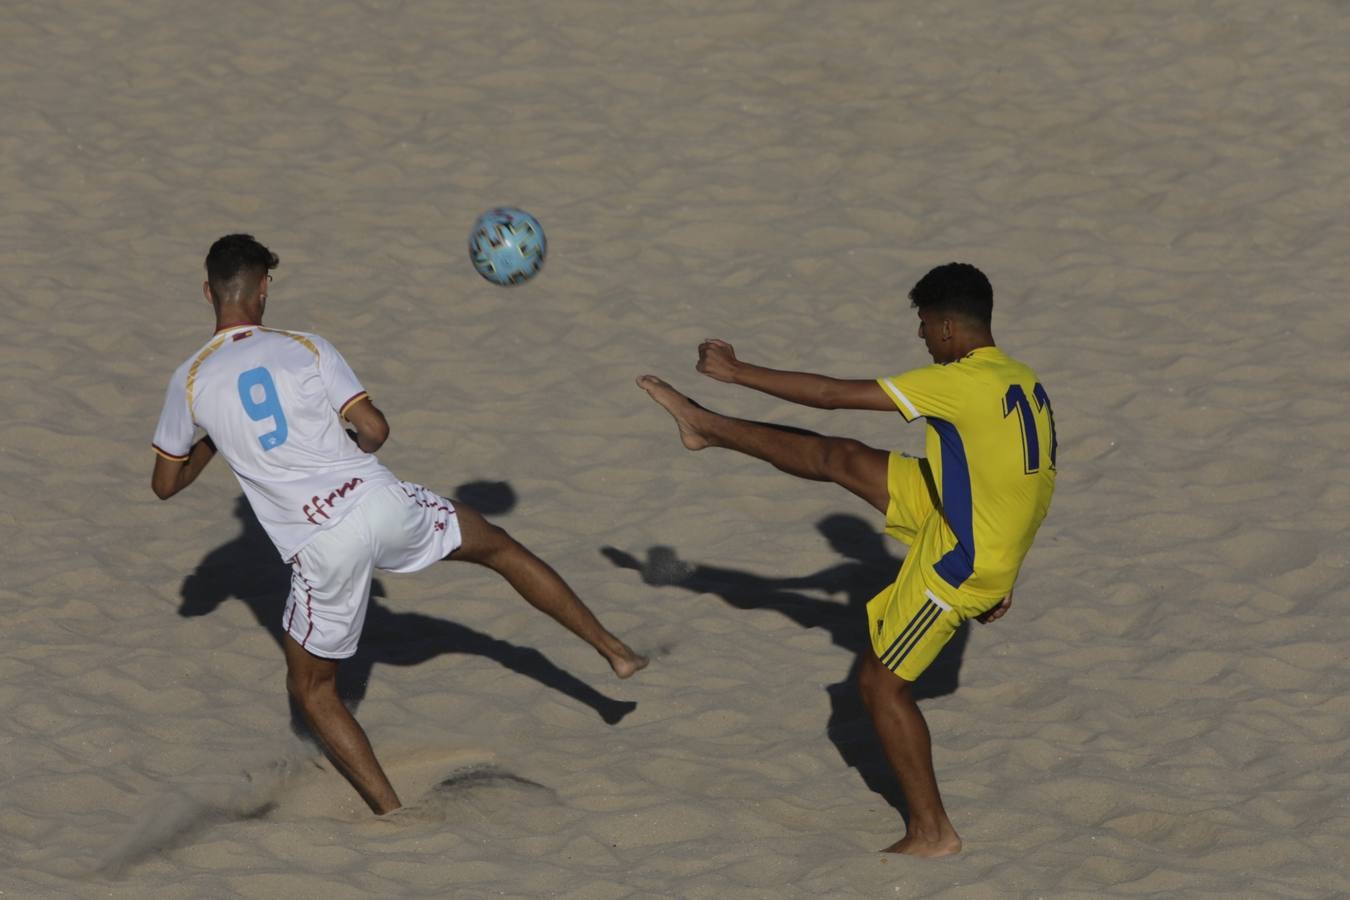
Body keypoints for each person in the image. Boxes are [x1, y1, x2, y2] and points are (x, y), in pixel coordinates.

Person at [151, 234, 648, 815]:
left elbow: (166, 485)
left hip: (321, 544)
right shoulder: (307, 346)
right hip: (380, 501)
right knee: (499, 548)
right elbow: (377, 431)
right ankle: (616, 653)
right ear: (264, 289)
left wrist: (213, 434)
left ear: (207, 291)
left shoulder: (189, 379)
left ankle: (391, 812)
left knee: (311, 690)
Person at [636, 262, 1056, 857]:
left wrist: (736, 371)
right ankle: (703, 425)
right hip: (961, 515)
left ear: (943, 326)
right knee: (843, 459)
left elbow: (832, 395)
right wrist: (1010, 564)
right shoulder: (1021, 379)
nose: (919, 338)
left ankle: (932, 832)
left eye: (921, 325)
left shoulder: (958, 381)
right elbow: (1033, 485)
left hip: (959, 561)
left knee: (877, 687)